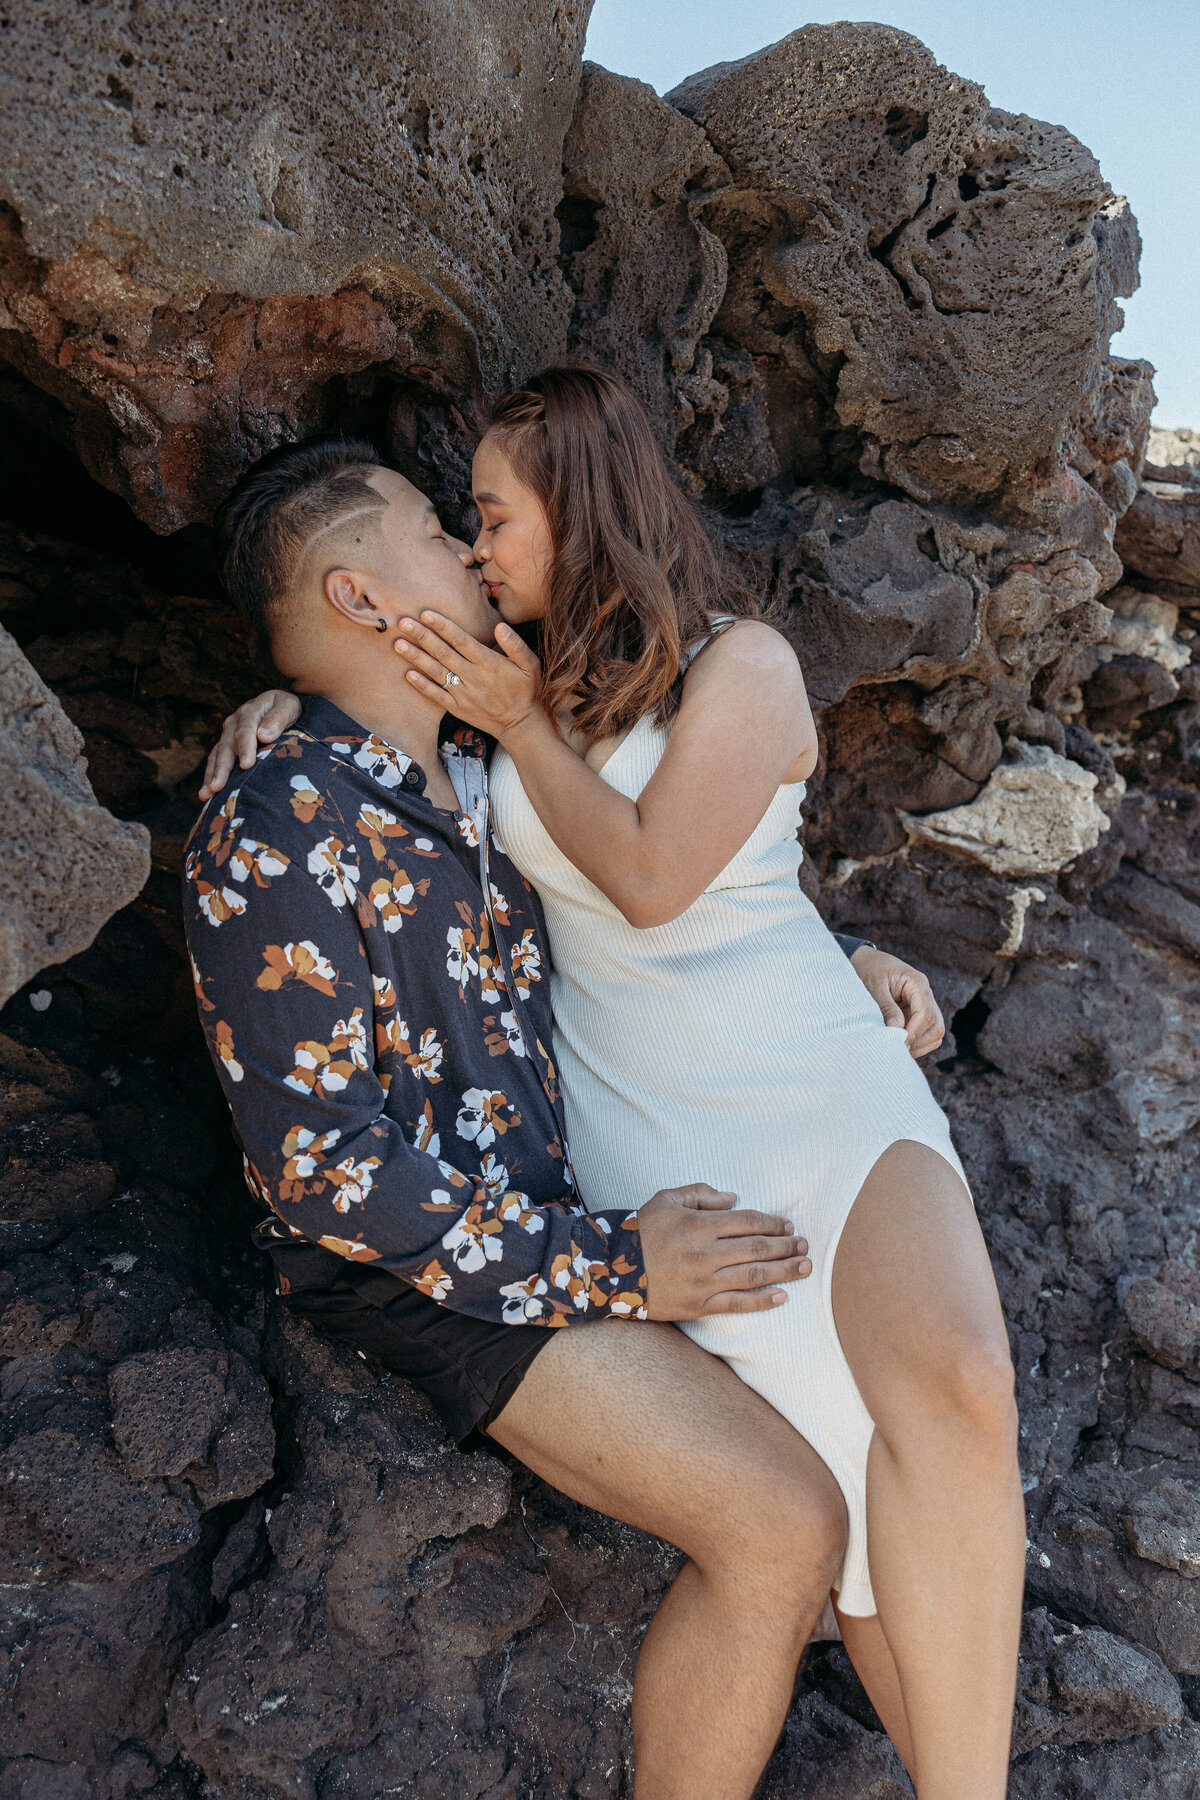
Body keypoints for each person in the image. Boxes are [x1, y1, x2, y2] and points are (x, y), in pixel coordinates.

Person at [186, 438, 931, 1800]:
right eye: (432, 531)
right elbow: (323, 1175)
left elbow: (675, 896)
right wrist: (616, 1266)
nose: (472, 554)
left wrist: (852, 969)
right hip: (435, 1277)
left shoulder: (478, 779)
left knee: (892, 1424)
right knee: (783, 1528)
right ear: (360, 602)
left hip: (584, 1200)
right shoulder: (277, 813)